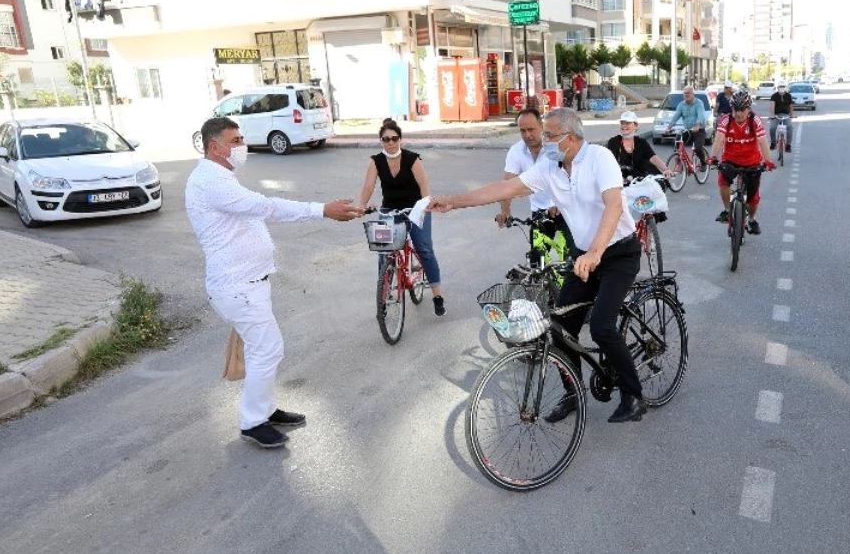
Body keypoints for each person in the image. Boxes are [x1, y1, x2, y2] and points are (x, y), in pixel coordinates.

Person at [430, 108, 647, 424]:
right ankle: (573, 393)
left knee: (601, 326)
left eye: (550, 135)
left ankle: (633, 396)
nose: (543, 141)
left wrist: (596, 252)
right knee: (560, 327)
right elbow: (504, 188)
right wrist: (455, 200)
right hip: (584, 255)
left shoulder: (600, 158)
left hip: (617, 253)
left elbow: (614, 205)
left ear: (571, 138)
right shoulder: (550, 167)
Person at [185, 117, 362, 449]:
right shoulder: (211, 181)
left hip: (249, 284)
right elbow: (265, 207)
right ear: (214, 146)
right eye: (235, 140)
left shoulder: (220, 176)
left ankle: (264, 409)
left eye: (240, 139)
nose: (242, 145)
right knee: (267, 349)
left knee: (261, 350)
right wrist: (321, 209)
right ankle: (253, 422)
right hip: (238, 286)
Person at [357, 119, 445, 316]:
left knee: (424, 250)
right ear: (381, 141)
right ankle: (385, 294)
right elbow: (368, 186)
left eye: (394, 138)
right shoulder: (376, 161)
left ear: (400, 139)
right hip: (389, 211)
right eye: (386, 139)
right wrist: (361, 206)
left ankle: (437, 296)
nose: (390, 142)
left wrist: (425, 206)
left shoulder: (413, 159)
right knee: (384, 253)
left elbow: (424, 185)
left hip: (415, 209)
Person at [497, 107, 573, 254]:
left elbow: (571, 177)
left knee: (574, 258)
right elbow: (507, 185)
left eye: (531, 129)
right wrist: (505, 211)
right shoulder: (516, 151)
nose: (527, 135)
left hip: (566, 208)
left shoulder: (555, 147)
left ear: (542, 127)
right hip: (540, 212)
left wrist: (557, 203)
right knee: (537, 260)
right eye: (522, 130)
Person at [708, 91, 775, 232]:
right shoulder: (725, 120)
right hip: (730, 160)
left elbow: (762, 141)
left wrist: (768, 161)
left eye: (742, 110)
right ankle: (727, 210)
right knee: (723, 181)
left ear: (749, 109)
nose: (739, 114)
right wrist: (712, 157)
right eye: (735, 110)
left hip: (752, 162)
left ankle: (751, 219)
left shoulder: (755, 120)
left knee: (753, 197)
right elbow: (719, 139)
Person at [605, 110, 671, 180]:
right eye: (622, 123)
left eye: (628, 123)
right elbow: (608, 163)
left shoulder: (641, 143)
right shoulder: (614, 142)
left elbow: (653, 157)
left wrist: (666, 169)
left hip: (639, 180)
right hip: (619, 180)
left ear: (635, 126)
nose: (624, 125)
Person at [668, 84, 710, 166]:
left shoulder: (699, 103)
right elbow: (676, 116)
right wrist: (669, 127)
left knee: (698, 148)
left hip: (699, 130)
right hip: (687, 130)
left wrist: (697, 125)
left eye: (688, 93)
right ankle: (679, 159)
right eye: (685, 93)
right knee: (678, 140)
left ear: (693, 94)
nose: (686, 95)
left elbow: (700, 115)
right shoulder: (681, 105)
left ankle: (703, 163)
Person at [768, 82, 794, 152]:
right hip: (776, 116)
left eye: (783, 86)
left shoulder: (788, 96)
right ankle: (773, 143)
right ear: (778, 88)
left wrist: (791, 115)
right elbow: (772, 106)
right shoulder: (774, 96)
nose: (782, 88)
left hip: (786, 115)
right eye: (780, 86)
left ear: (785, 87)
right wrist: (772, 115)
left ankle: (788, 145)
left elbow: (791, 106)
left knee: (790, 128)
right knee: (772, 128)